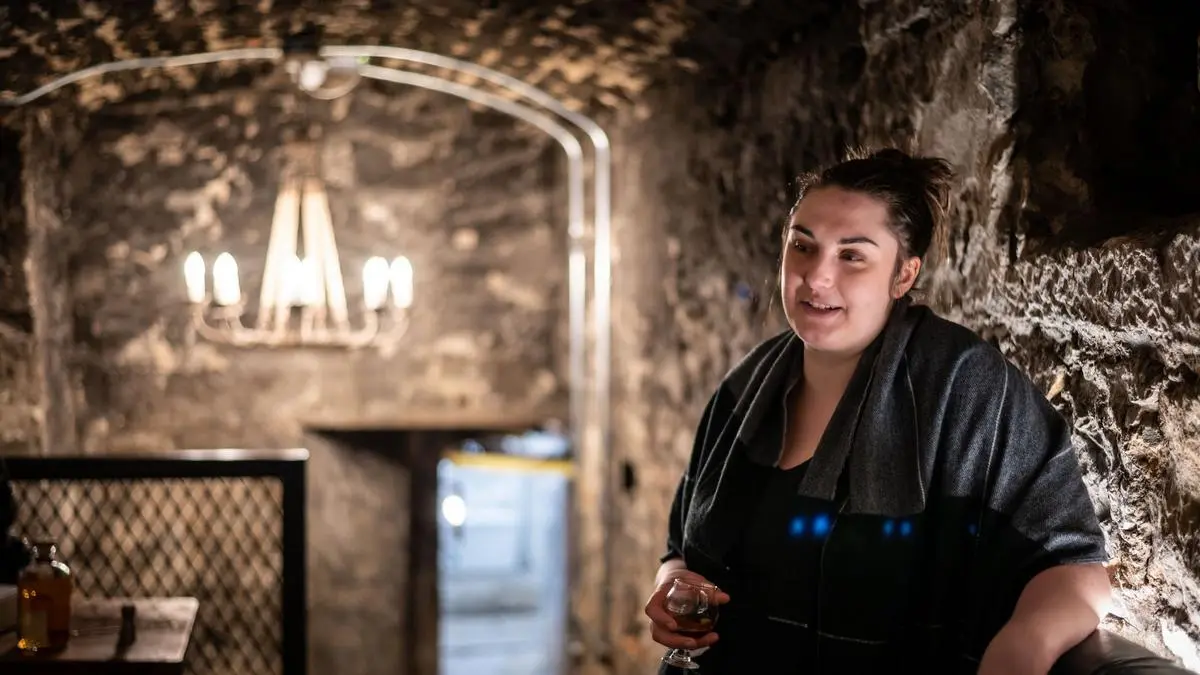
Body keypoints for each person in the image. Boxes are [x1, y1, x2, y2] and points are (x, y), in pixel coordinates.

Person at [645, 147, 1112, 674]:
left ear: (903, 275)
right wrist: (673, 585)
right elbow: (679, 548)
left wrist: (1022, 648)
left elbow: (1076, 569)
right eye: (803, 246)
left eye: (852, 256)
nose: (817, 277)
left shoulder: (965, 387)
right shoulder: (747, 384)